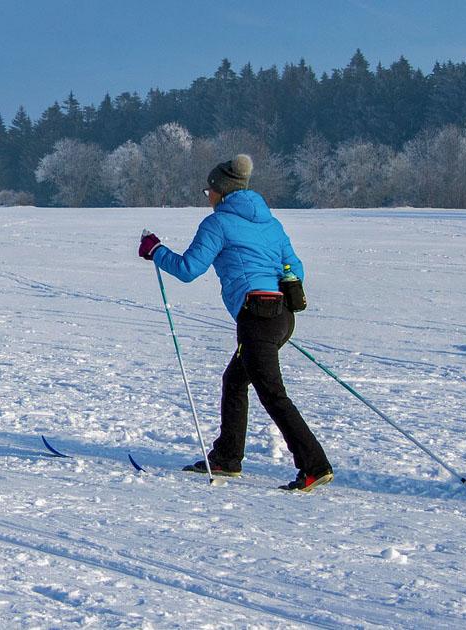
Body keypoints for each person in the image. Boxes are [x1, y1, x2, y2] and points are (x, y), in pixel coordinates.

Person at [138, 154, 333, 492]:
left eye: (208, 191)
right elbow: (296, 270)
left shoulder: (218, 223)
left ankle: (314, 466)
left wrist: (155, 250)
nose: (207, 197)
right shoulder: (271, 223)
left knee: (272, 394)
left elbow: (188, 270)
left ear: (222, 191)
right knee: (234, 380)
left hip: (256, 317)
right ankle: (227, 458)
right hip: (281, 316)